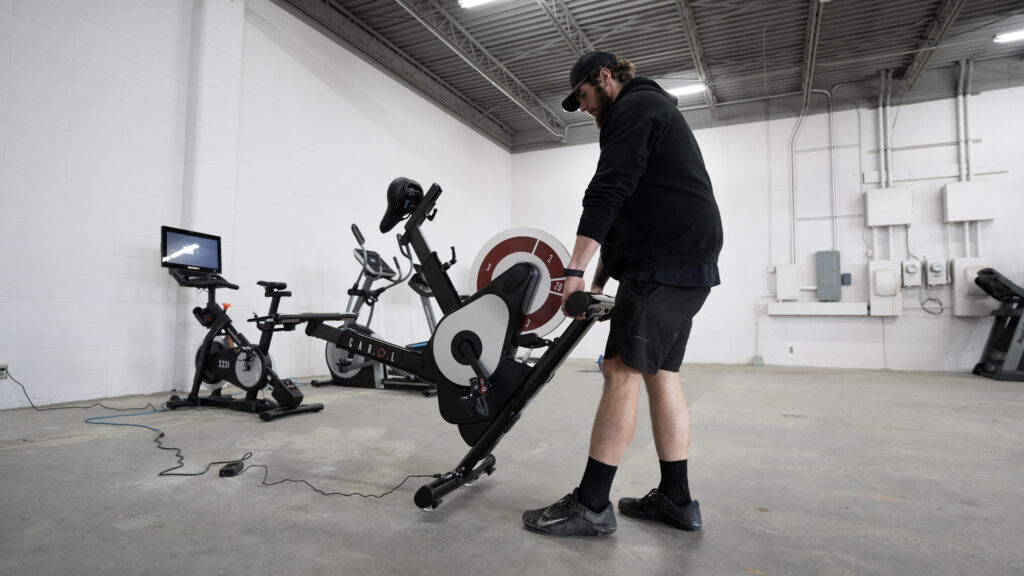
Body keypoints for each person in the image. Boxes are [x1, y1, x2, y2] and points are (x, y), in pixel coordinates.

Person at [521, 51, 723, 537]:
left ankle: (591, 506)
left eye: (584, 97)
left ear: (604, 77)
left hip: (664, 261)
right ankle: (677, 500)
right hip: (687, 262)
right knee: (662, 374)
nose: (585, 107)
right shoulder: (653, 111)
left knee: (620, 371)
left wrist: (573, 269)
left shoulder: (632, 109)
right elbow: (631, 209)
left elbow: (608, 192)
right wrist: (597, 284)